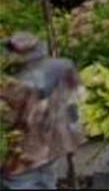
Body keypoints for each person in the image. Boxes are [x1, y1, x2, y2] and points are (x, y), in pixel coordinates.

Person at [1, 33, 85, 190]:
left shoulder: (13, 83)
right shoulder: (63, 66)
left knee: (25, 182)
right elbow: (77, 97)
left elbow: (7, 119)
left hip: (23, 155)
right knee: (46, 179)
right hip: (53, 143)